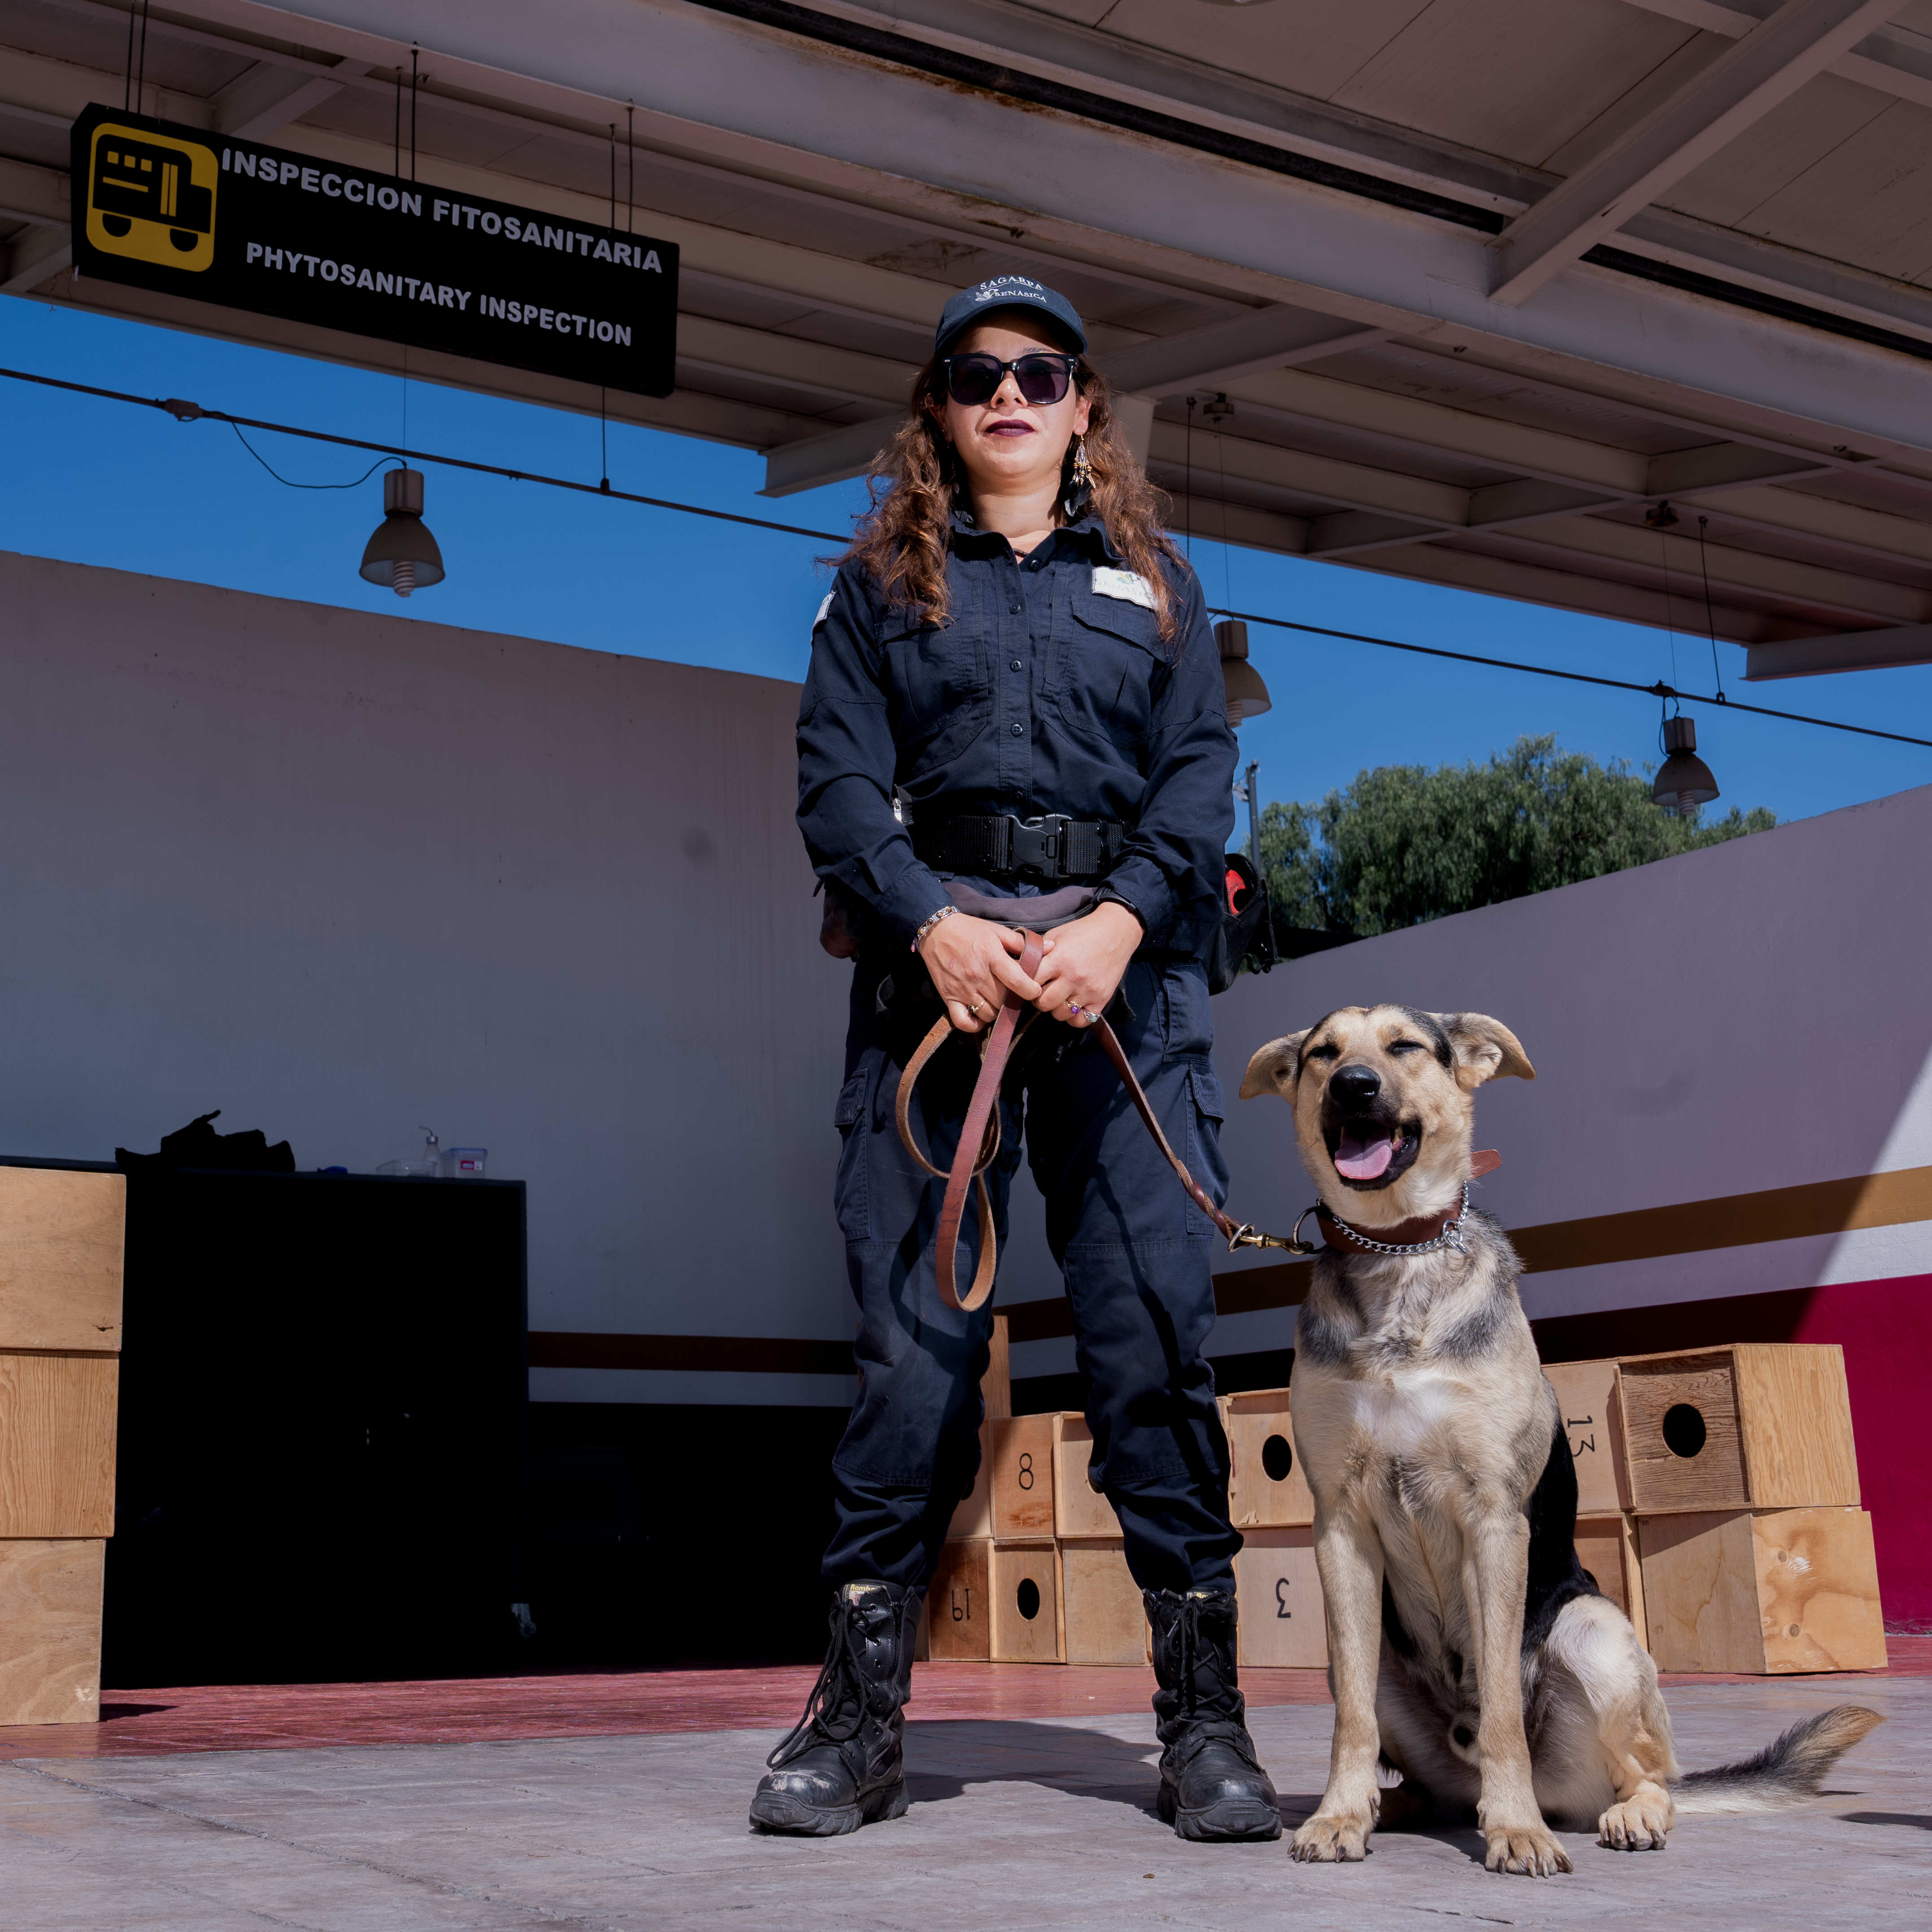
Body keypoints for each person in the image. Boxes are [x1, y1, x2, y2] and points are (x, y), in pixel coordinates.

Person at [750, 275, 1278, 1843]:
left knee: (1151, 1353)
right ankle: (855, 1722)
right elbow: (835, 781)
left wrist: (1120, 921)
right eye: (976, 374)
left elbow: (1196, 784)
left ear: (1082, 408)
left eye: (1040, 374)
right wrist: (926, 922)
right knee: (911, 1360)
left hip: (1125, 1000)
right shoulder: (876, 586)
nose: (1008, 395)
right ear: (936, 408)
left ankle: (1205, 1724)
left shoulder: (1159, 584)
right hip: (941, 994)